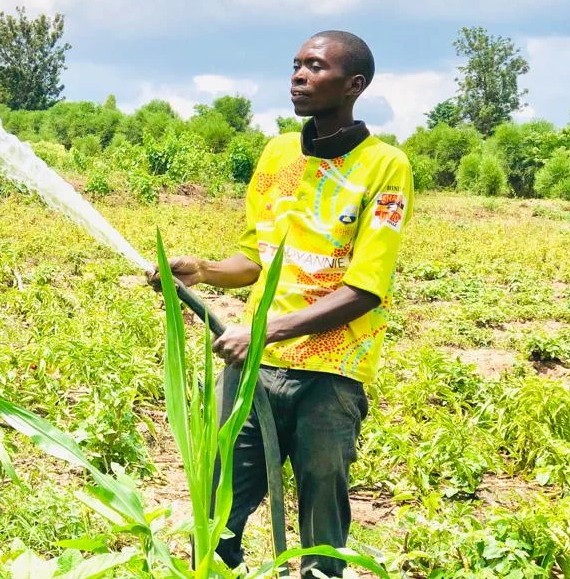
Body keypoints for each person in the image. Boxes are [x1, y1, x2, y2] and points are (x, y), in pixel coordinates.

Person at [148, 31, 413, 578]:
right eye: (296, 65)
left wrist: (264, 330)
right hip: (253, 369)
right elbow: (255, 258)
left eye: (315, 67)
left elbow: (364, 289)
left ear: (354, 85)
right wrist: (203, 270)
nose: (298, 76)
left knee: (321, 521)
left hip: (330, 375)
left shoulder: (385, 167)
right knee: (217, 506)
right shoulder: (278, 154)